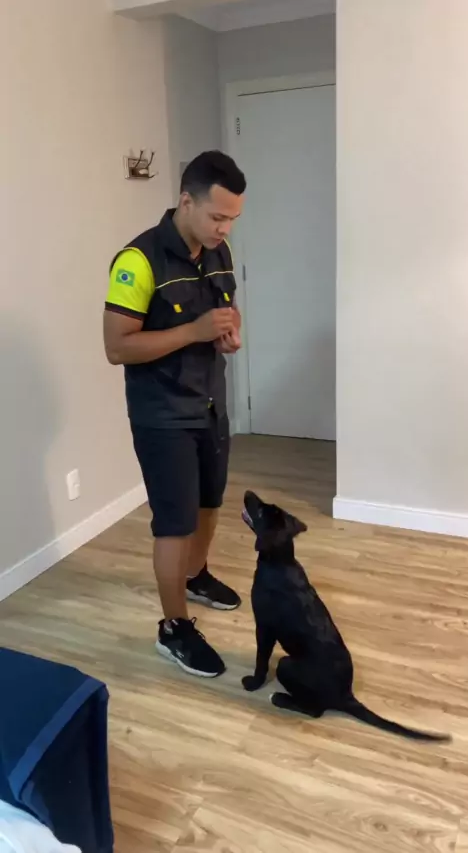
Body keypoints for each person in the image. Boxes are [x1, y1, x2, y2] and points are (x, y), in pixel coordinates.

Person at [103, 150, 246, 678]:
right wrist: (194, 331)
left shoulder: (218, 251)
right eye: (217, 216)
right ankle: (173, 628)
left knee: (209, 505)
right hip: (162, 414)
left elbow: (225, 311)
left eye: (232, 218)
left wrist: (229, 333)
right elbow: (117, 347)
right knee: (174, 525)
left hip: (210, 403)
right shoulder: (137, 262)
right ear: (186, 201)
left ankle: (196, 575)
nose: (225, 228)